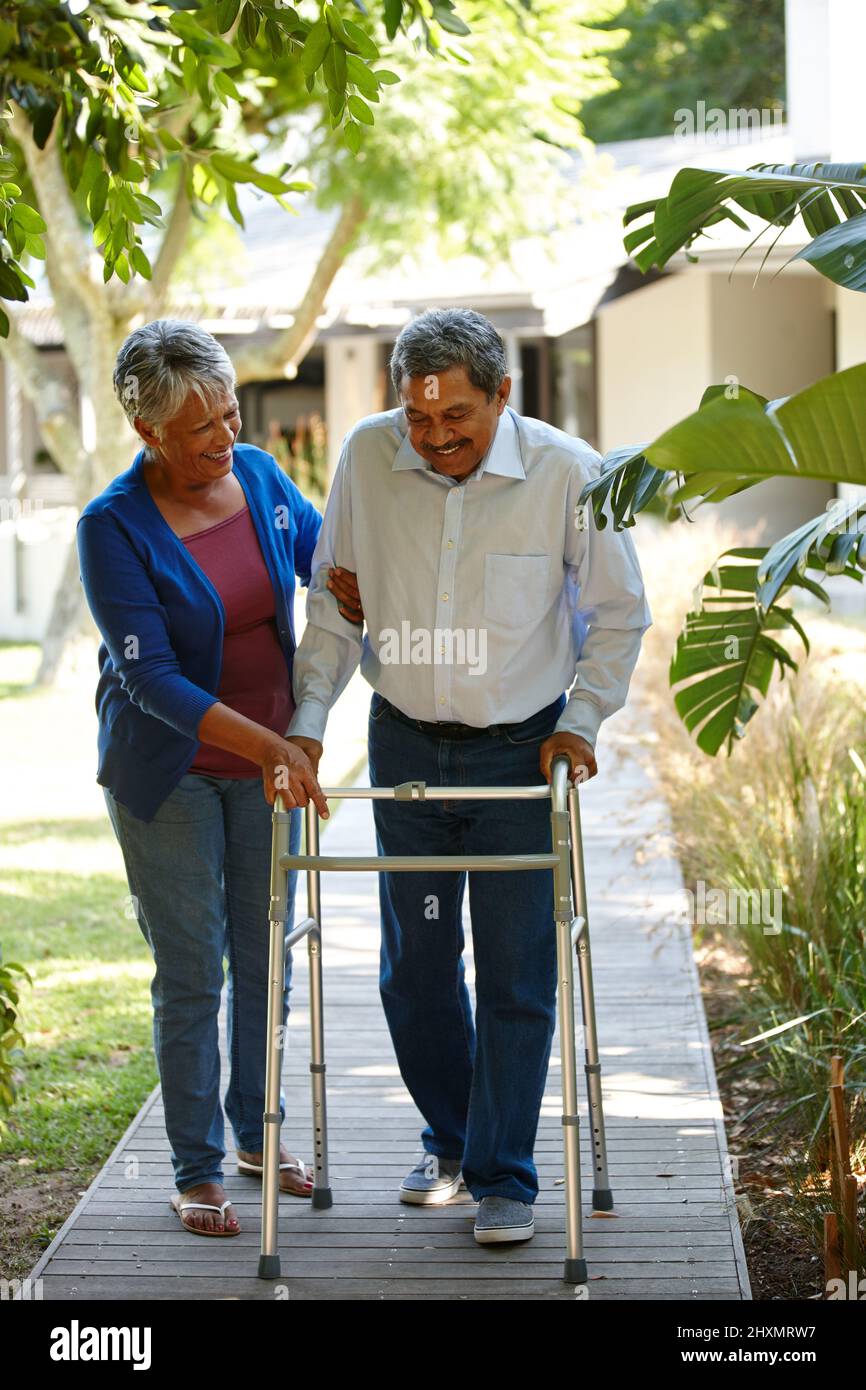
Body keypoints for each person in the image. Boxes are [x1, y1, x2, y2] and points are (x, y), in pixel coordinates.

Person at [284, 307, 652, 1247]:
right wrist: (311, 722)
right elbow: (334, 604)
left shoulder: (571, 472)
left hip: (516, 751)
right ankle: (451, 1139)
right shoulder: (368, 459)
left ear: (503, 397)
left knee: (518, 966)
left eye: (460, 421)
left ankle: (504, 1176)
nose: (438, 438)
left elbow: (617, 614)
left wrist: (580, 721)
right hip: (406, 746)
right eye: (421, 419)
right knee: (416, 971)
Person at [76, 320, 363, 1237]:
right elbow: (148, 675)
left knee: (265, 957)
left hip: (266, 766)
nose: (223, 438)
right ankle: (196, 1167)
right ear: (149, 434)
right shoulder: (111, 527)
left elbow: (323, 557)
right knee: (195, 970)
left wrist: (350, 581)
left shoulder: (265, 480)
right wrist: (270, 746)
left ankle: (256, 1132)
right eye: (200, 427)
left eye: (230, 414)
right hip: (172, 773)